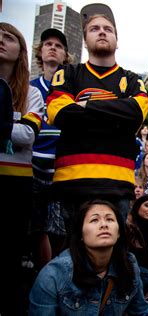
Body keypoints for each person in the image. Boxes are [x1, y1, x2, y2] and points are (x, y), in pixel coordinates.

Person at [45, 4, 148, 228]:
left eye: (108, 29)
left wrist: (84, 106)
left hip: (117, 182)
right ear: (84, 40)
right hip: (72, 180)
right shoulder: (67, 73)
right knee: (72, 255)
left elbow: (136, 113)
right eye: (94, 29)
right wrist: (116, 111)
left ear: (116, 40)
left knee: (114, 253)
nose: (102, 32)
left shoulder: (132, 80)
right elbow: (60, 113)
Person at [29, 200, 148, 315]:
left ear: (119, 232)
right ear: (81, 233)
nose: (104, 225)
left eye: (109, 219)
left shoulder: (129, 265)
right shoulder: (54, 274)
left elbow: (142, 312)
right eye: (94, 220)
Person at [0, 22, 44, 314]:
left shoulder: (32, 95)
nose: (0, 41)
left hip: (15, 185)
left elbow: (28, 135)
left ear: (21, 50)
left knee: (9, 254)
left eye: (8, 37)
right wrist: (9, 127)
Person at [30, 28, 72, 267]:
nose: (53, 47)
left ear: (65, 54)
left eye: (58, 45)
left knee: (60, 228)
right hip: (33, 167)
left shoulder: (71, 88)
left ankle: (54, 273)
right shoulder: (30, 87)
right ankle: (42, 275)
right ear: (40, 51)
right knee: (37, 228)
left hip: (62, 170)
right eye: (48, 44)